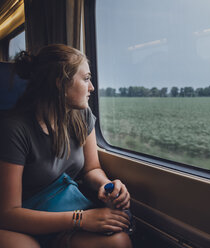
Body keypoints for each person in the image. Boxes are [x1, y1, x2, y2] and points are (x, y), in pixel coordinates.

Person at [0, 44, 132, 248]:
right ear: (60, 83)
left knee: (119, 242)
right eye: (86, 79)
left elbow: (91, 169)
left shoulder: (82, 116)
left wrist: (107, 186)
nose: (92, 88)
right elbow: (8, 214)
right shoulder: (14, 129)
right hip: (20, 220)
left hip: (61, 212)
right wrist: (81, 219)